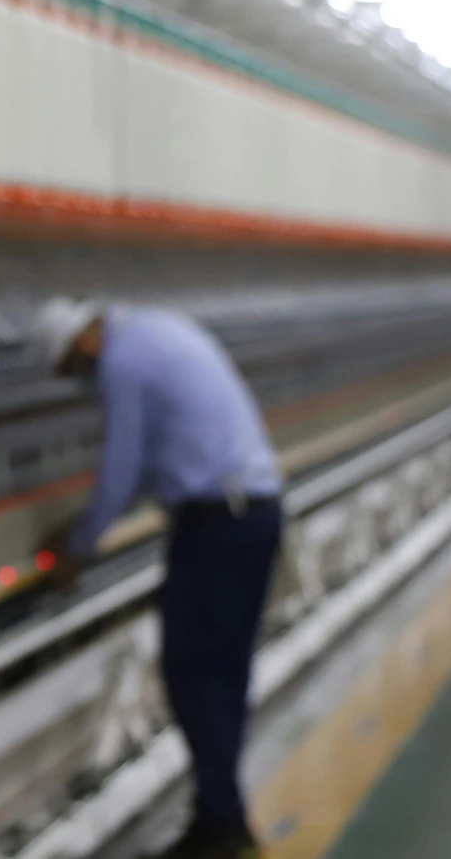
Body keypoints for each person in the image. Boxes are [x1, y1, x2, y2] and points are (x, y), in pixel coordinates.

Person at [34, 298, 284, 859]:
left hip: (218, 524)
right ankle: (221, 817)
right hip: (253, 511)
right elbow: (151, 464)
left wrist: (76, 545)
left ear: (83, 343)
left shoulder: (123, 361)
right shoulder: (157, 329)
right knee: (222, 672)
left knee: (191, 671)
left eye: (75, 370)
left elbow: (122, 469)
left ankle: (223, 824)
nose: (83, 383)